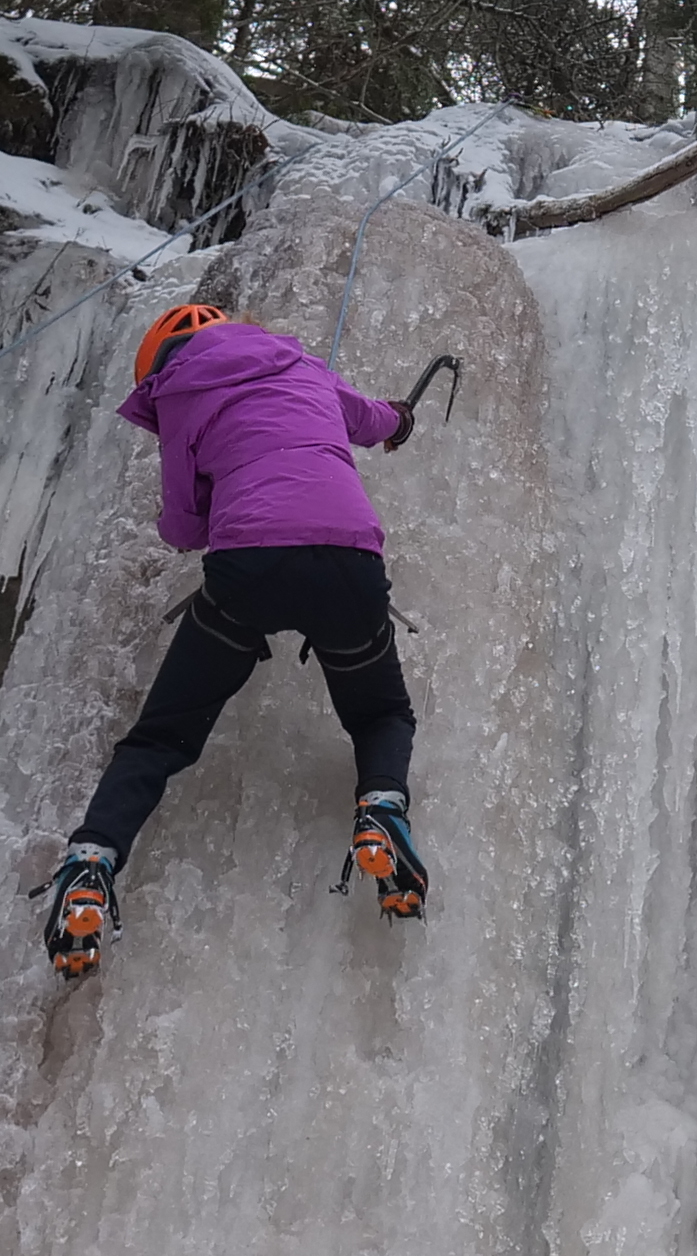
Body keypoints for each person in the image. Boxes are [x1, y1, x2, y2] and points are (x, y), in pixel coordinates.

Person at [39, 298, 430, 979]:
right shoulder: (302, 364)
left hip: (249, 567)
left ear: (159, 364)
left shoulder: (182, 395)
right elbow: (374, 419)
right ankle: (381, 812)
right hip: (350, 562)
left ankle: (90, 865)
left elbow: (185, 527)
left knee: (159, 739)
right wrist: (402, 421)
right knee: (380, 712)